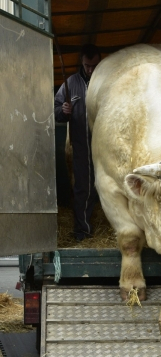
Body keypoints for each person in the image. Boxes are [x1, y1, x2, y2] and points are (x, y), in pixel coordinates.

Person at [54, 44, 101, 241]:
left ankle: (109, 227)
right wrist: (62, 111)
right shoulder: (70, 83)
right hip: (81, 145)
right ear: (81, 63)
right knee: (83, 187)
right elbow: (55, 110)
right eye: (87, 66)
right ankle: (83, 231)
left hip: (106, 147)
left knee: (108, 186)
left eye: (94, 66)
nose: (90, 70)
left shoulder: (105, 81)